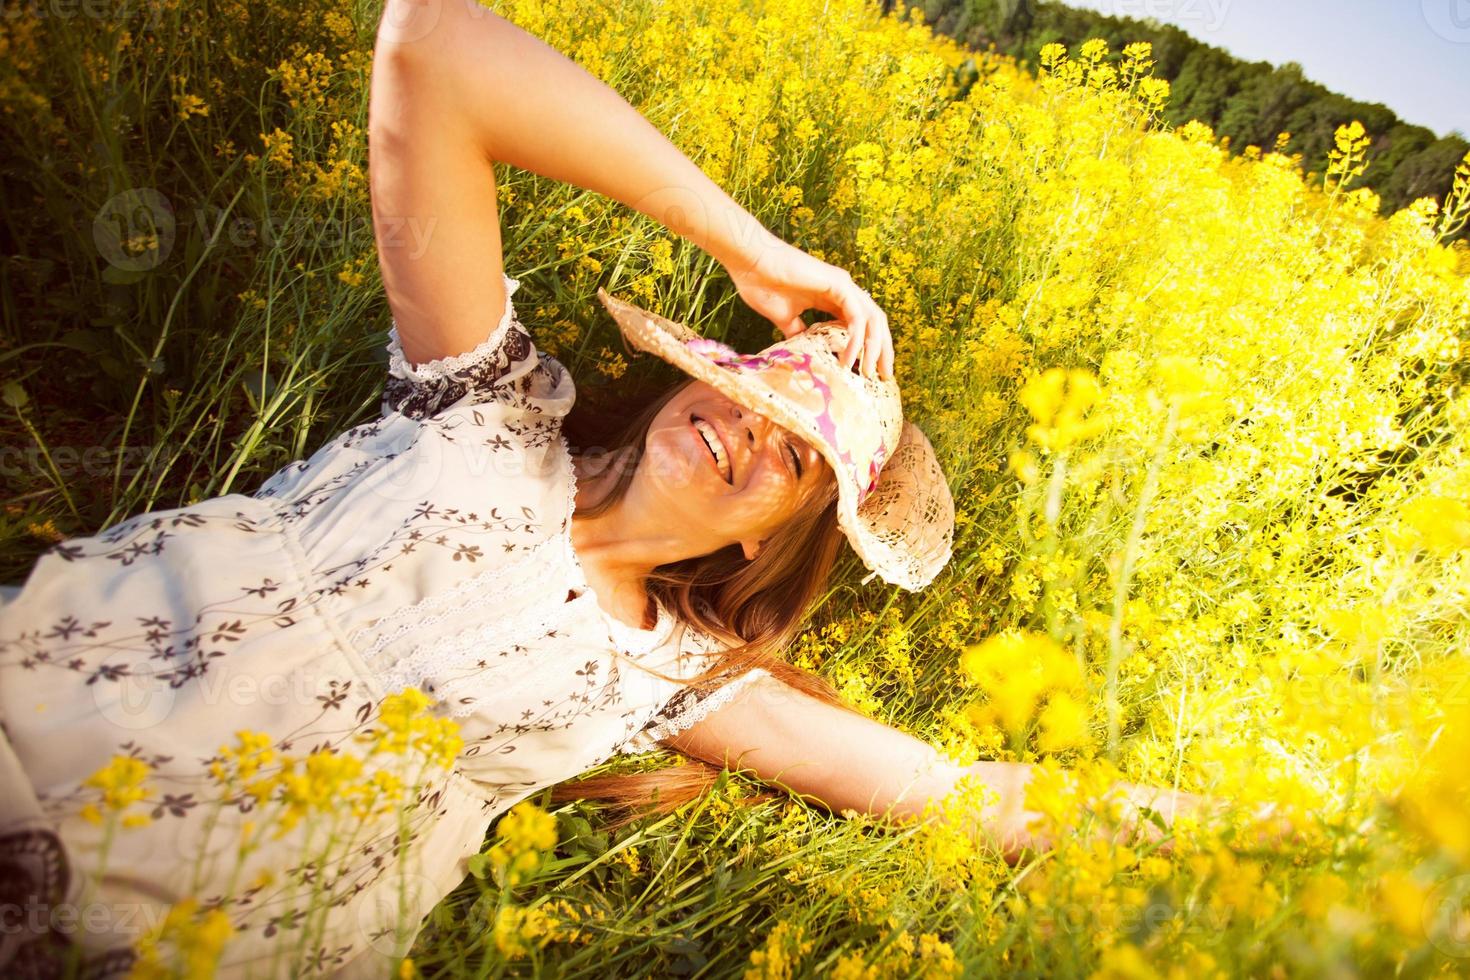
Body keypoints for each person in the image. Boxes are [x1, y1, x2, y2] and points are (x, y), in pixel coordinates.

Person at [0, 2, 1218, 976]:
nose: (749, 431)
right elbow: (431, 46)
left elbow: (952, 791)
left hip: (205, 918)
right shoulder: (483, 407)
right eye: (750, 391)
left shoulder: (676, 672)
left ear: (769, 546)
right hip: (57, 691)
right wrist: (758, 254)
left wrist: (1259, 832)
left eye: (794, 455)